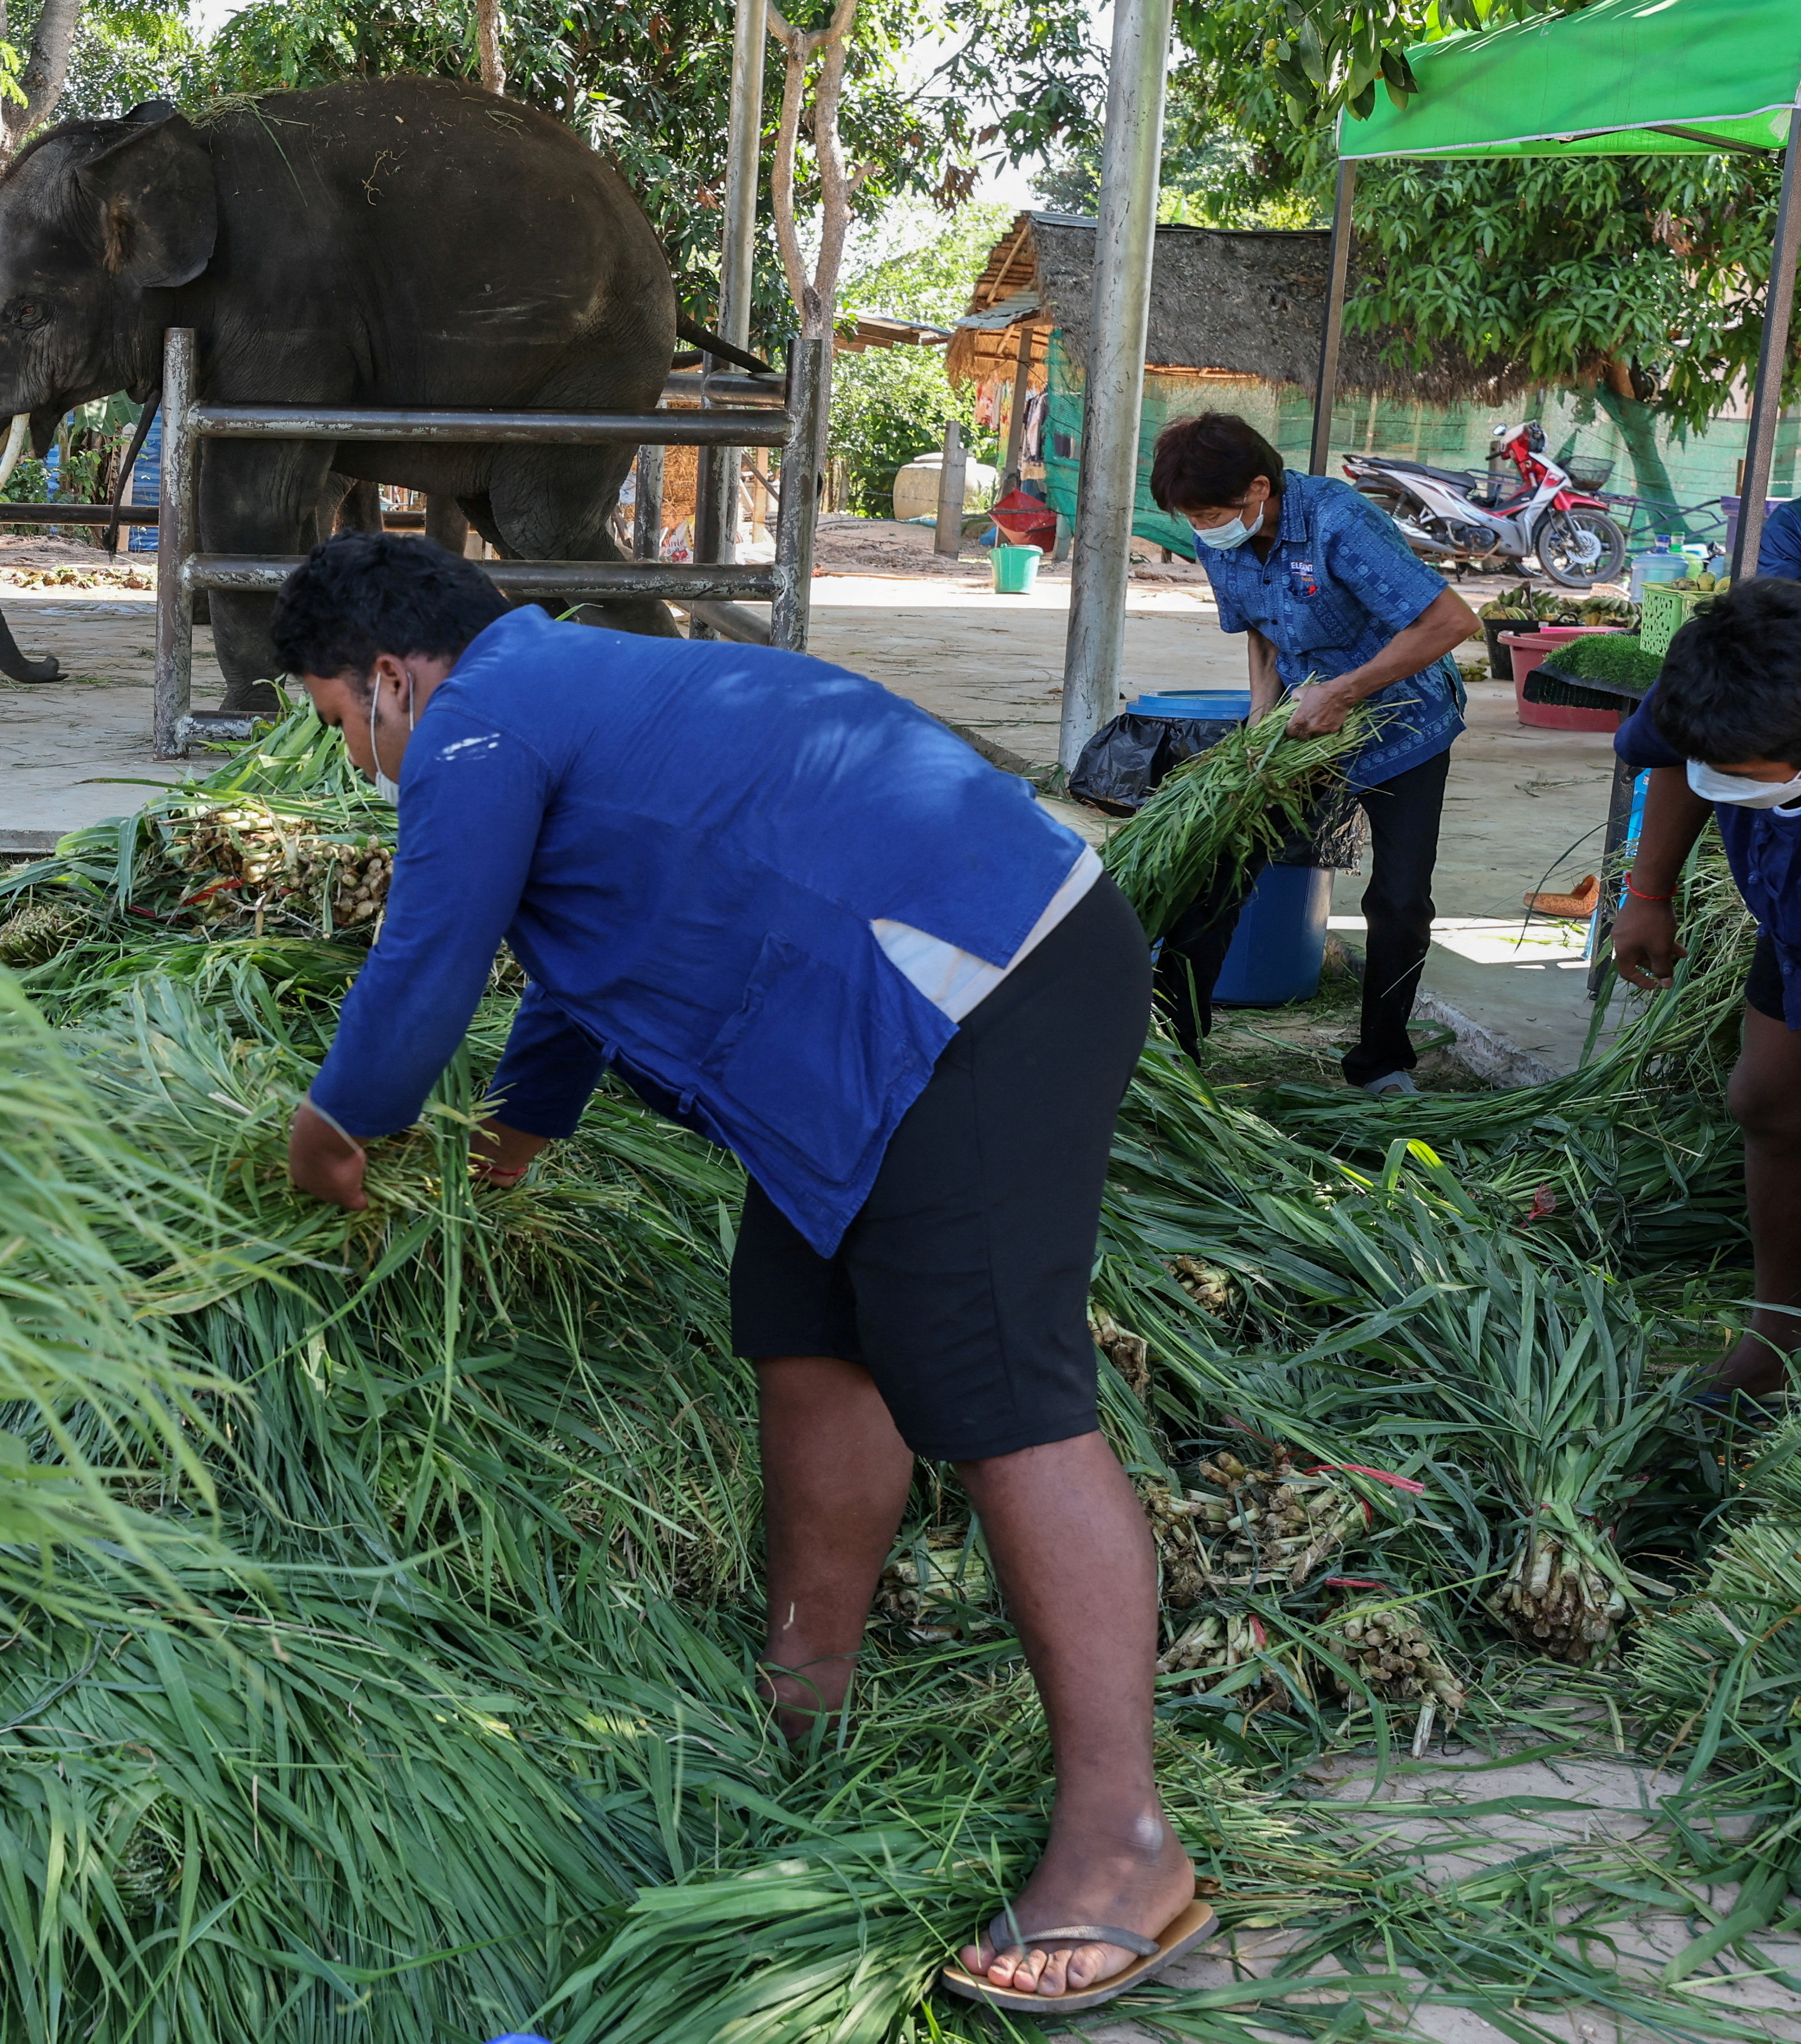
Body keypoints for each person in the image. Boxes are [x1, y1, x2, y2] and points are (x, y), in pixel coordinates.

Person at [273, 533, 1211, 2014]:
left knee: (997, 1388)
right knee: (804, 1325)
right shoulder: (562, 683)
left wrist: (334, 1128)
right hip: (887, 1013)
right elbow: (585, 940)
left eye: (341, 725)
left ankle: (1123, 1847)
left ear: (388, 676)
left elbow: (428, 954)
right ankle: (799, 1710)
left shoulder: (478, 721)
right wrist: (522, 1130)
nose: (363, 762)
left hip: (966, 988)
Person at [1145, 412, 1480, 1093]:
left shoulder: (1338, 522)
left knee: (1399, 898)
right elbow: (1261, 633)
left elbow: (1451, 622)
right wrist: (1260, 728)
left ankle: (1381, 1065)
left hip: (1401, 720)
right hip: (1301, 728)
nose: (1203, 529)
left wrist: (1346, 691)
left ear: (1259, 488)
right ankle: (1175, 1051)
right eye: (1193, 518)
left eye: (1212, 513)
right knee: (1218, 863)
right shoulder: (1220, 537)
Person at [1613, 579, 1801, 1401]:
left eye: (1750, 775)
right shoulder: (1715, 681)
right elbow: (1673, 756)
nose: (1726, 780)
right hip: (1787, 920)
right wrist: (1646, 893)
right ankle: (1777, 1329)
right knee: (1764, 1100)